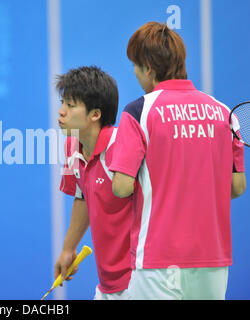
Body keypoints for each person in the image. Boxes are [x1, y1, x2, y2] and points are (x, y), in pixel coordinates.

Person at [109, 22, 246, 300]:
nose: (135, 74)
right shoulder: (223, 113)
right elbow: (236, 187)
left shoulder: (139, 111)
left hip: (158, 261)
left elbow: (121, 187)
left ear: (148, 67)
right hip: (213, 261)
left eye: (135, 66)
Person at [55, 66, 132, 300]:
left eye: (70, 105)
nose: (61, 112)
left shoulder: (123, 147)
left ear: (95, 114)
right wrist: (68, 248)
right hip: (108, 282)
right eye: (62, 103)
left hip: (142, 277)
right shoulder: (72, 146)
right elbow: (82, 196)